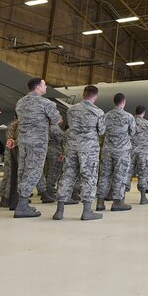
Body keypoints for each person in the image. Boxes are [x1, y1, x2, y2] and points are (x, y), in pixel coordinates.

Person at [53, 85, 105, 221]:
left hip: (71, 148)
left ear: (83, 94)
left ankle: (59, 211)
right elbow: (101, 131)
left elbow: (70, 127)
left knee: (67, 176)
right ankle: (87, 211)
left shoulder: (71, 110)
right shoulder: (98, 112)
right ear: (96, 96)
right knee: (89, 177)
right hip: (89, 150)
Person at [13, 77, 61, 218]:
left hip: (23, 141)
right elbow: (56, 120)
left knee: (23, 170)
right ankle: (22, 206)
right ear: (38, 87)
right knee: (34, 171)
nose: (46, 87)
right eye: (44, 85)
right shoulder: (45, 103)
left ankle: (22, 202)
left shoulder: (20, 102)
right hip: (37, 142)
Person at [96, 92, 136, 211]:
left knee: (104, 175)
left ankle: (100, 202)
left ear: (114, 102)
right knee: (120, 176)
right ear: (123, 102)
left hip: (107, 150)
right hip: (122, 151)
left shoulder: (106, 116)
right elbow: (132, 132)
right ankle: (118, 202)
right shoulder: (128, 117)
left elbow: (101, 131)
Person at [130, 105, 148, 205]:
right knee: (143, 174)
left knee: (127, 173)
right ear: (143, 113)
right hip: (143, 153)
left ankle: (121, 198)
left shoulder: (130, 121)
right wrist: (145, 146)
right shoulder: (147, 124)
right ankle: (143, 197)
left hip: (130, 152)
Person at [0, 114, 19, 208]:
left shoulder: (12, 125)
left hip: (9, 152)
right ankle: (7, 198)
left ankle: (3, 198)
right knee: (11, 176)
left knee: (7, 176)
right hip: (12, 153)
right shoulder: (16, 125)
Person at [41, 124, 64, 203]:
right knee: (54, 171)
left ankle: (46, 190)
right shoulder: (55, 129)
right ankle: (50, 190)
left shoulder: (45, 127)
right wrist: (62, 152)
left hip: (46, 150)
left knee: (47, 171)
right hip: (55, 151)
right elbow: (61, 141)